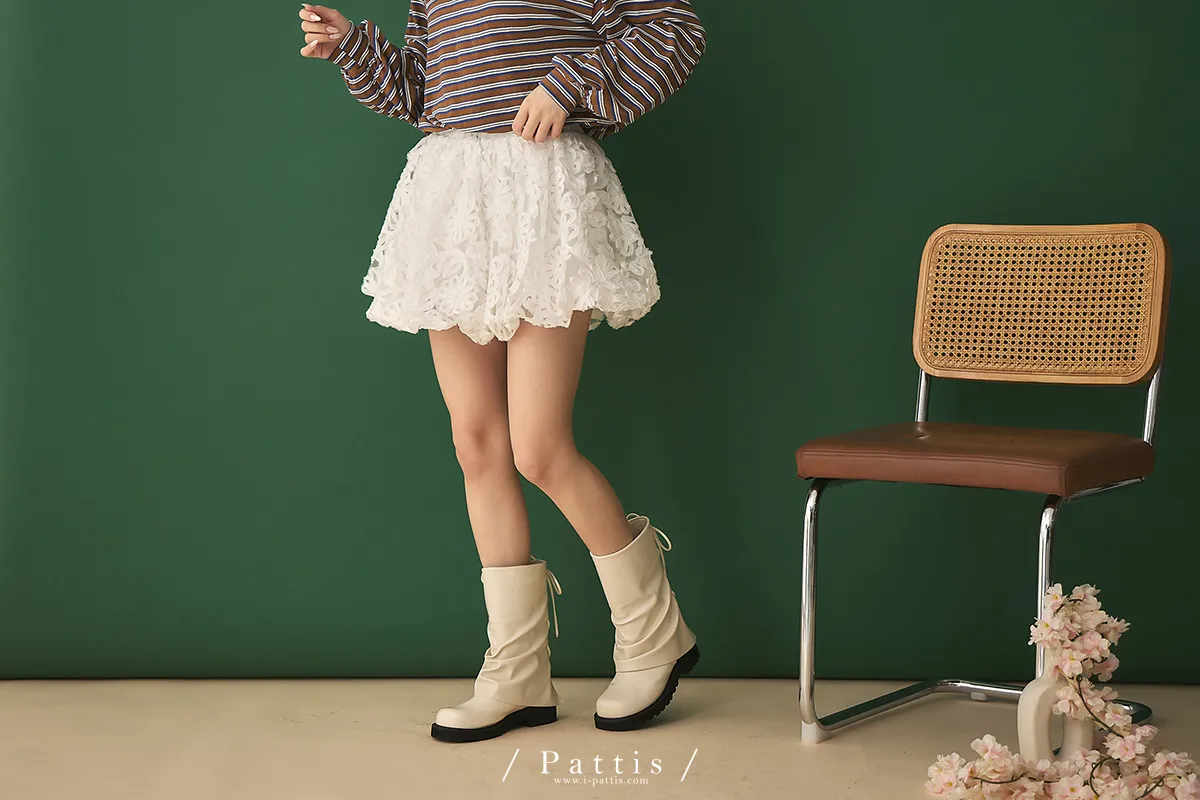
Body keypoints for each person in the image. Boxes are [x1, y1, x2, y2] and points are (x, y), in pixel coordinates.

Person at [297, 0, 706, 743]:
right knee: (477, 444)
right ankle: (517, 672)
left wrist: (566, 84)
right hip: (455, 197)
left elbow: (673, 30)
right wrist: (353, 46)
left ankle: (653, 635)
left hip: (543, 193)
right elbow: (422, 93)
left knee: (539, 447)